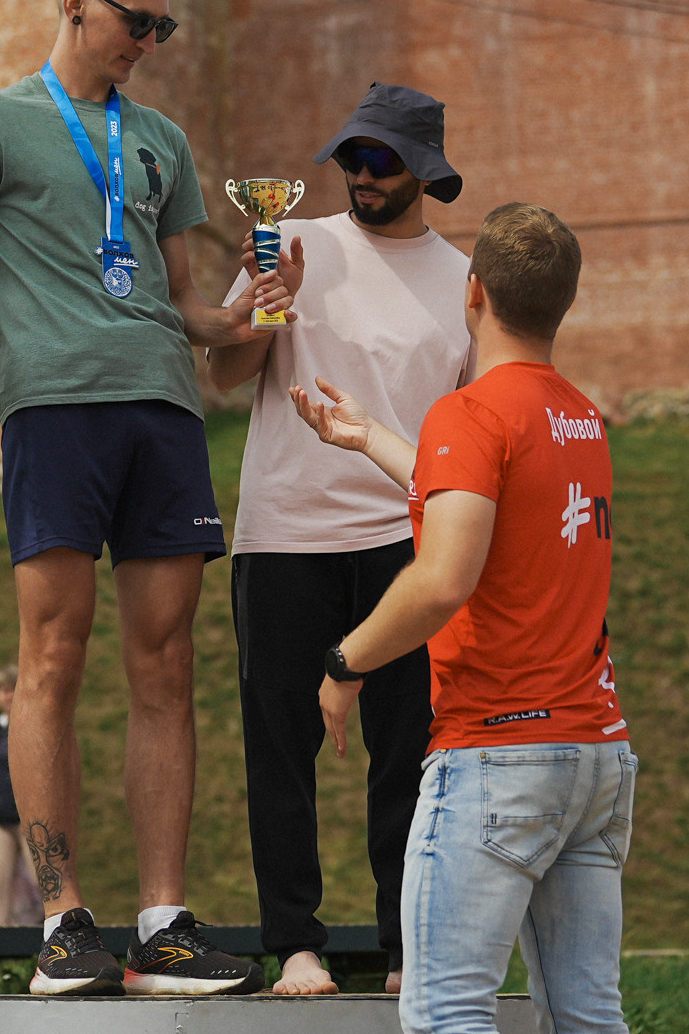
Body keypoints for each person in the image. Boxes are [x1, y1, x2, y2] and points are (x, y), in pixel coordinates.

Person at [0, 0, 294, 998]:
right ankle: (60, 920)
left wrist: (252, 308)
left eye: (164, 25)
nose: (152, 41)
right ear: (77, 4)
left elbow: (188, 309)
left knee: (166, 662)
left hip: (164, 412)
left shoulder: (162, 140)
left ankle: (166, 922)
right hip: (54, 411)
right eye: (140, 21)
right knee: (52, 655)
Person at [292, 203, 634, 1034]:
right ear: (566, 303)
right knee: (588, 1015)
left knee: (446, 1010)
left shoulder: (471, 413)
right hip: (595, 756)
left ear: (472, 293)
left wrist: (345, 665)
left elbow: (443, 577)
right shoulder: (581, 418)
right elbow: (486, 506)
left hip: (497, 755)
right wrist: (372, 437)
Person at [205, 84, 475, 997]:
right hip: (283, 533)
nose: (361, 174)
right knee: (278, 751)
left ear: (424, 173)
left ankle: (409, 950)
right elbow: (224, 374)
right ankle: (297, 948)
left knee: (411, 753)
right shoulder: (294, 240)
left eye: (383, 160)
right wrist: (268, 305)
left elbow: (471, 428)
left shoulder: (463, 280)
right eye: (352, 157)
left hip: (408, 542)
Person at [0, 663, 42, 927]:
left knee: (45, 877)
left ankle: (57, 931)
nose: (7, 696)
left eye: (12, 689)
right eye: (3, 690)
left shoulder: (35, 724)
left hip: (30, 818)